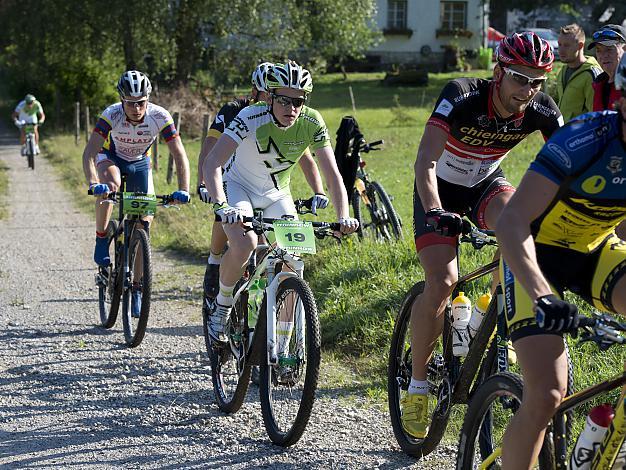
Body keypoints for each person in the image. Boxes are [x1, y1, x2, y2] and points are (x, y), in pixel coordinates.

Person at [402, 32, 563, 439]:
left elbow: (568, 166)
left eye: (537, 81)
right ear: (498, 72)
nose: (527, 90)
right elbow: (425, 159)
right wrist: (436, 210)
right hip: (438, 188)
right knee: (443, 281)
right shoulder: (462, 95)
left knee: (518, 230)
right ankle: (418, 385)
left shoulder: (542, 109)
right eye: (519, 79)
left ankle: (494, 318)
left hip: (487, 183)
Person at [495, 54, 626, 469]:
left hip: (593, 250)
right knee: (548, 394)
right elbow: (513, 221)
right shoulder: (587, 138)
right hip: (535, 254)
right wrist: (541, 297)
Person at [202, 61, 358, 344]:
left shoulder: (312, 121)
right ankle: (221, 307)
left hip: (277, 195)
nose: (291, 108)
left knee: (292, 261)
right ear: (270, 97)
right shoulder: (250, 116)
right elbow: (213, 162)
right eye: (284, 100)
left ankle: (282, 346)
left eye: (298, 101)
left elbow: (333, 175)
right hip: (239, 189)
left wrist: (343, 215)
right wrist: (222, 204)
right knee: (245, 244)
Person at [197, 62, 329, 301]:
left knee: (270, 245)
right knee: (229, 222)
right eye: (269, 95)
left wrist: (319, 191)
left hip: (270, 185)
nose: (284, 104)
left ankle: (259, 298)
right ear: (257, 93)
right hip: (230, 173)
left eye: (296, 101)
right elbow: (210, 149)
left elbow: (305, 158)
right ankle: (215, 261)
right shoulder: (236, 110)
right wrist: (203, 184)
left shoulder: (290, 119)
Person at [82, 70, 191, 316]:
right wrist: (92, 182)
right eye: (130, 103)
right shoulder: (111, 115)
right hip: (110, 157)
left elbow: (179, 154)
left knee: (143, 226)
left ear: (148, 100)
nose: (136, 108)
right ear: (122, 100)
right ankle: (101, 238)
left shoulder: (159, 116)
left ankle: (138, 288)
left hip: (140, 162)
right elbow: (90, 152)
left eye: (141, 102)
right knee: (111, 186)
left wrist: (183, 189)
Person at [555, 23, 602, 121]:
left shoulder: (592, 75)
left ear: (580, 46)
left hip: (580, 134)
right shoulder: (563, 71)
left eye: (566, 45)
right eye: (559, 44)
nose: (561, 50)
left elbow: (596, 114)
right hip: (563, 133)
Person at [590, 24, 626, 112]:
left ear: (625, 49)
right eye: (599, 50)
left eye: (609, 49)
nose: (604, 56)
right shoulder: (599, 83)